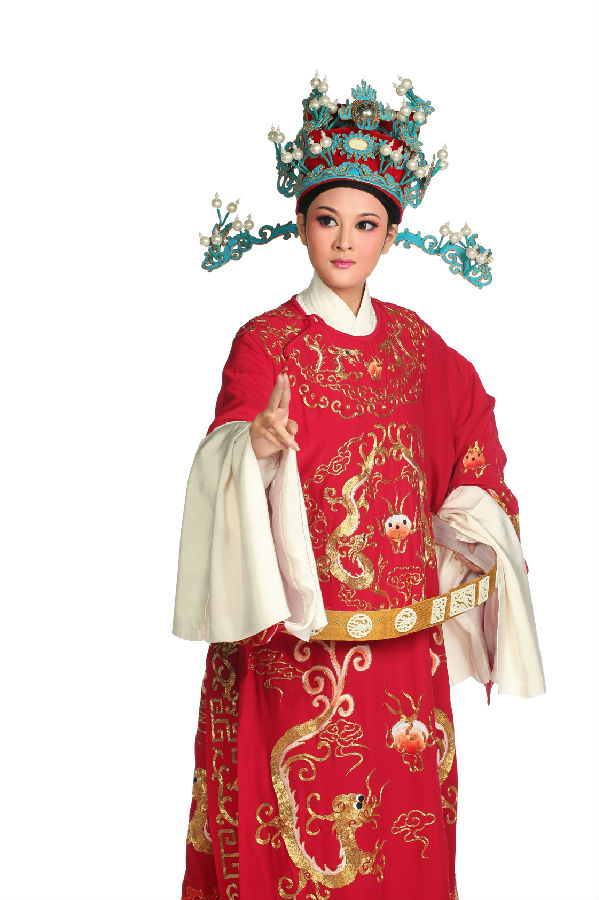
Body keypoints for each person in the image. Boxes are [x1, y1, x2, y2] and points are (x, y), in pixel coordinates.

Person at [173, 76, 545, 900]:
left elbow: (473, 434)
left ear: (391, 234)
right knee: (287, 840)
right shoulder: (266, 342)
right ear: (301, 223)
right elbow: (228, 435)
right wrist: (252, 448)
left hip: (403, 652)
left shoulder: (417, 346)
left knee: (403, 840)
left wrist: (469, 522)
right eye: (326, 220)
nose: (344, 241)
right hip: (291, 646)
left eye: (365, 224)